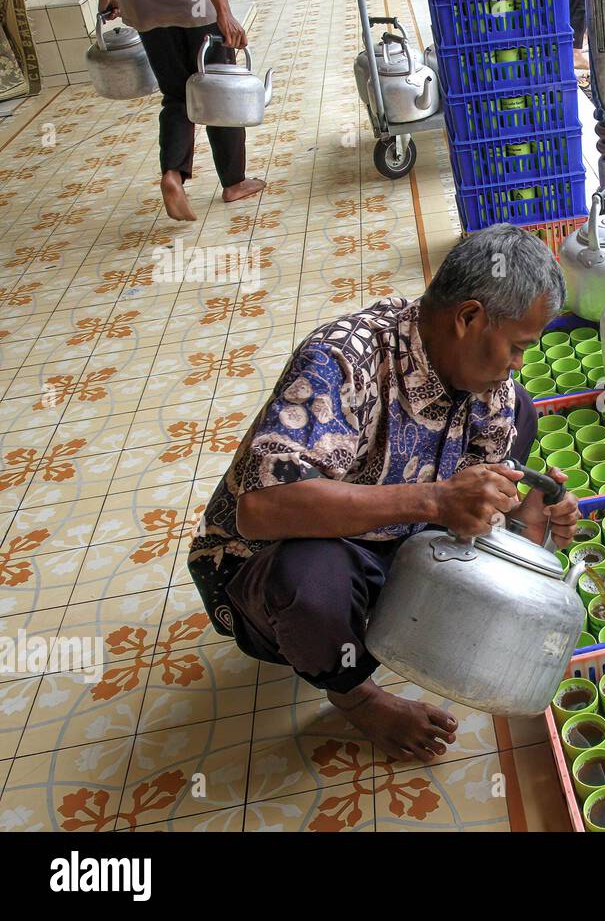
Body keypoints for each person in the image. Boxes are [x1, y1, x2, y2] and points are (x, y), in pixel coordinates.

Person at [187, 225, 580, 762]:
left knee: (521, 412)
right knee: (312, 579)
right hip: (268, 568)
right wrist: (436, 500)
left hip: (396, 544)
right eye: (516, 347)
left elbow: (476, 506)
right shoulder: (343, 360)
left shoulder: (493, 393)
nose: (518, 364)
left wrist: (524, 517)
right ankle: (355, 696)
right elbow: (260, 509)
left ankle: (392, 605)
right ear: (467, 318)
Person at [90, 0, 265, 221]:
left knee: (177, 95)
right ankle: (234, 182)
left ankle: (173, 174)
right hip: (191, 1)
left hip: (142, 5)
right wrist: (224, 12)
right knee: (220, 93)